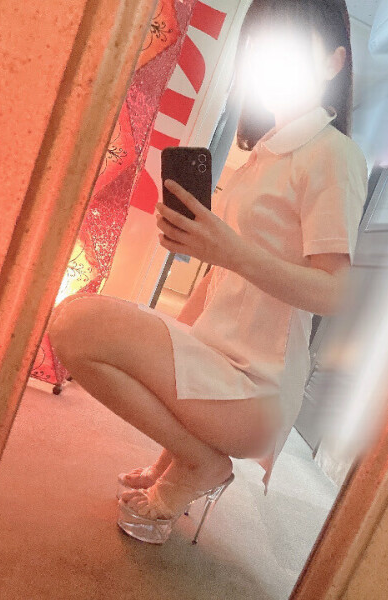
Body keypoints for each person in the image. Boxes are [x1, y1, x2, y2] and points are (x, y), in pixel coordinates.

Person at [48, 0, 368, 543]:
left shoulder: (333, 155)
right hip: (222, 363)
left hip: (255, 390)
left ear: (333, 63)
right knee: (84, 321)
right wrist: (180, 321)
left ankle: (200, 464)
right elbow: (222, 282)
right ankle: (184, 459)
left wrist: (230, 252)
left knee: (76, 325)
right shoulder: (264, 153)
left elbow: (335, 293)